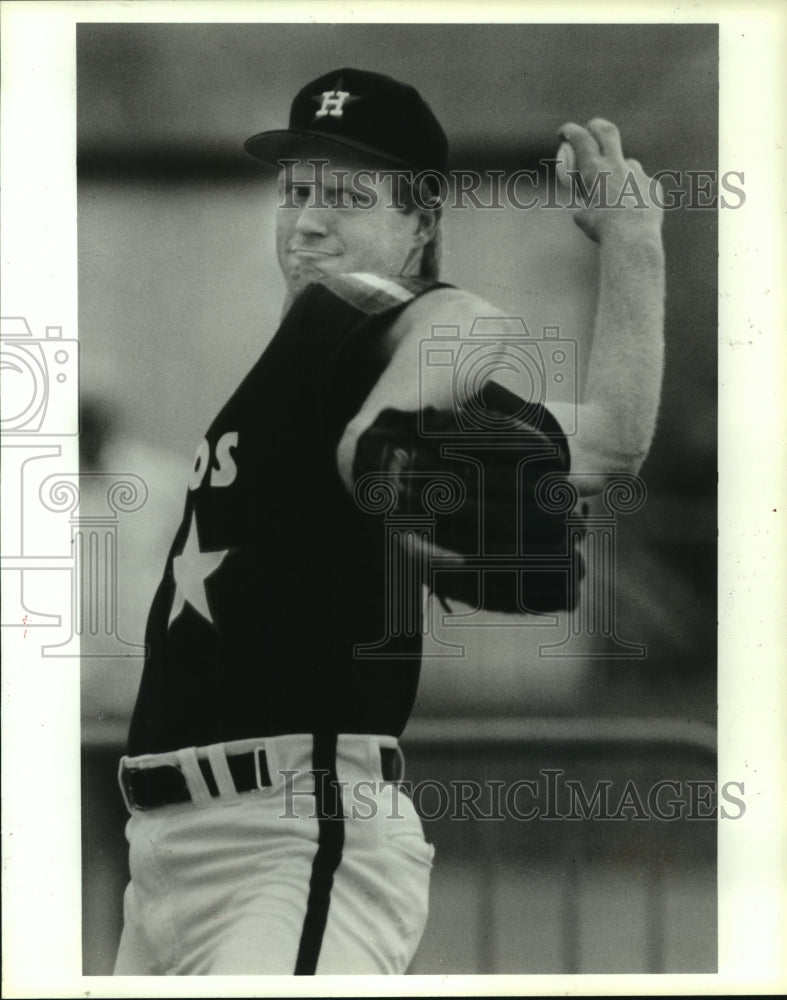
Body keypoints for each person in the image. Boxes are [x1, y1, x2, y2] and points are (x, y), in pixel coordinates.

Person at [113, 68, 665, 975]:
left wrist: (384, 429)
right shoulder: (305, 367)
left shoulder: (381, 326)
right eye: (295, 191)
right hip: (168, 863)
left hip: (291, 845)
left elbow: (459, 317)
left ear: (421, 224)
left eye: (349, 195)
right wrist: (632, 245)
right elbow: (607, 443)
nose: (309, 221)